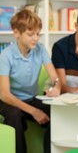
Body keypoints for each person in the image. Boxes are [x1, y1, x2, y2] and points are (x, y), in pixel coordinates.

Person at [0, 9, 61, 153]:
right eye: (30, 34)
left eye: (37, 34)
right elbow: (5, 95)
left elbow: (55, 77)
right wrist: (34, 111)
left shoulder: (40, 50)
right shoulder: (5, 56)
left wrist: (57, 86)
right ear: (16, 33)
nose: (35, 38)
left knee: (58, 111)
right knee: (15, 116)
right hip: (9, 101)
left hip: (31, 98)